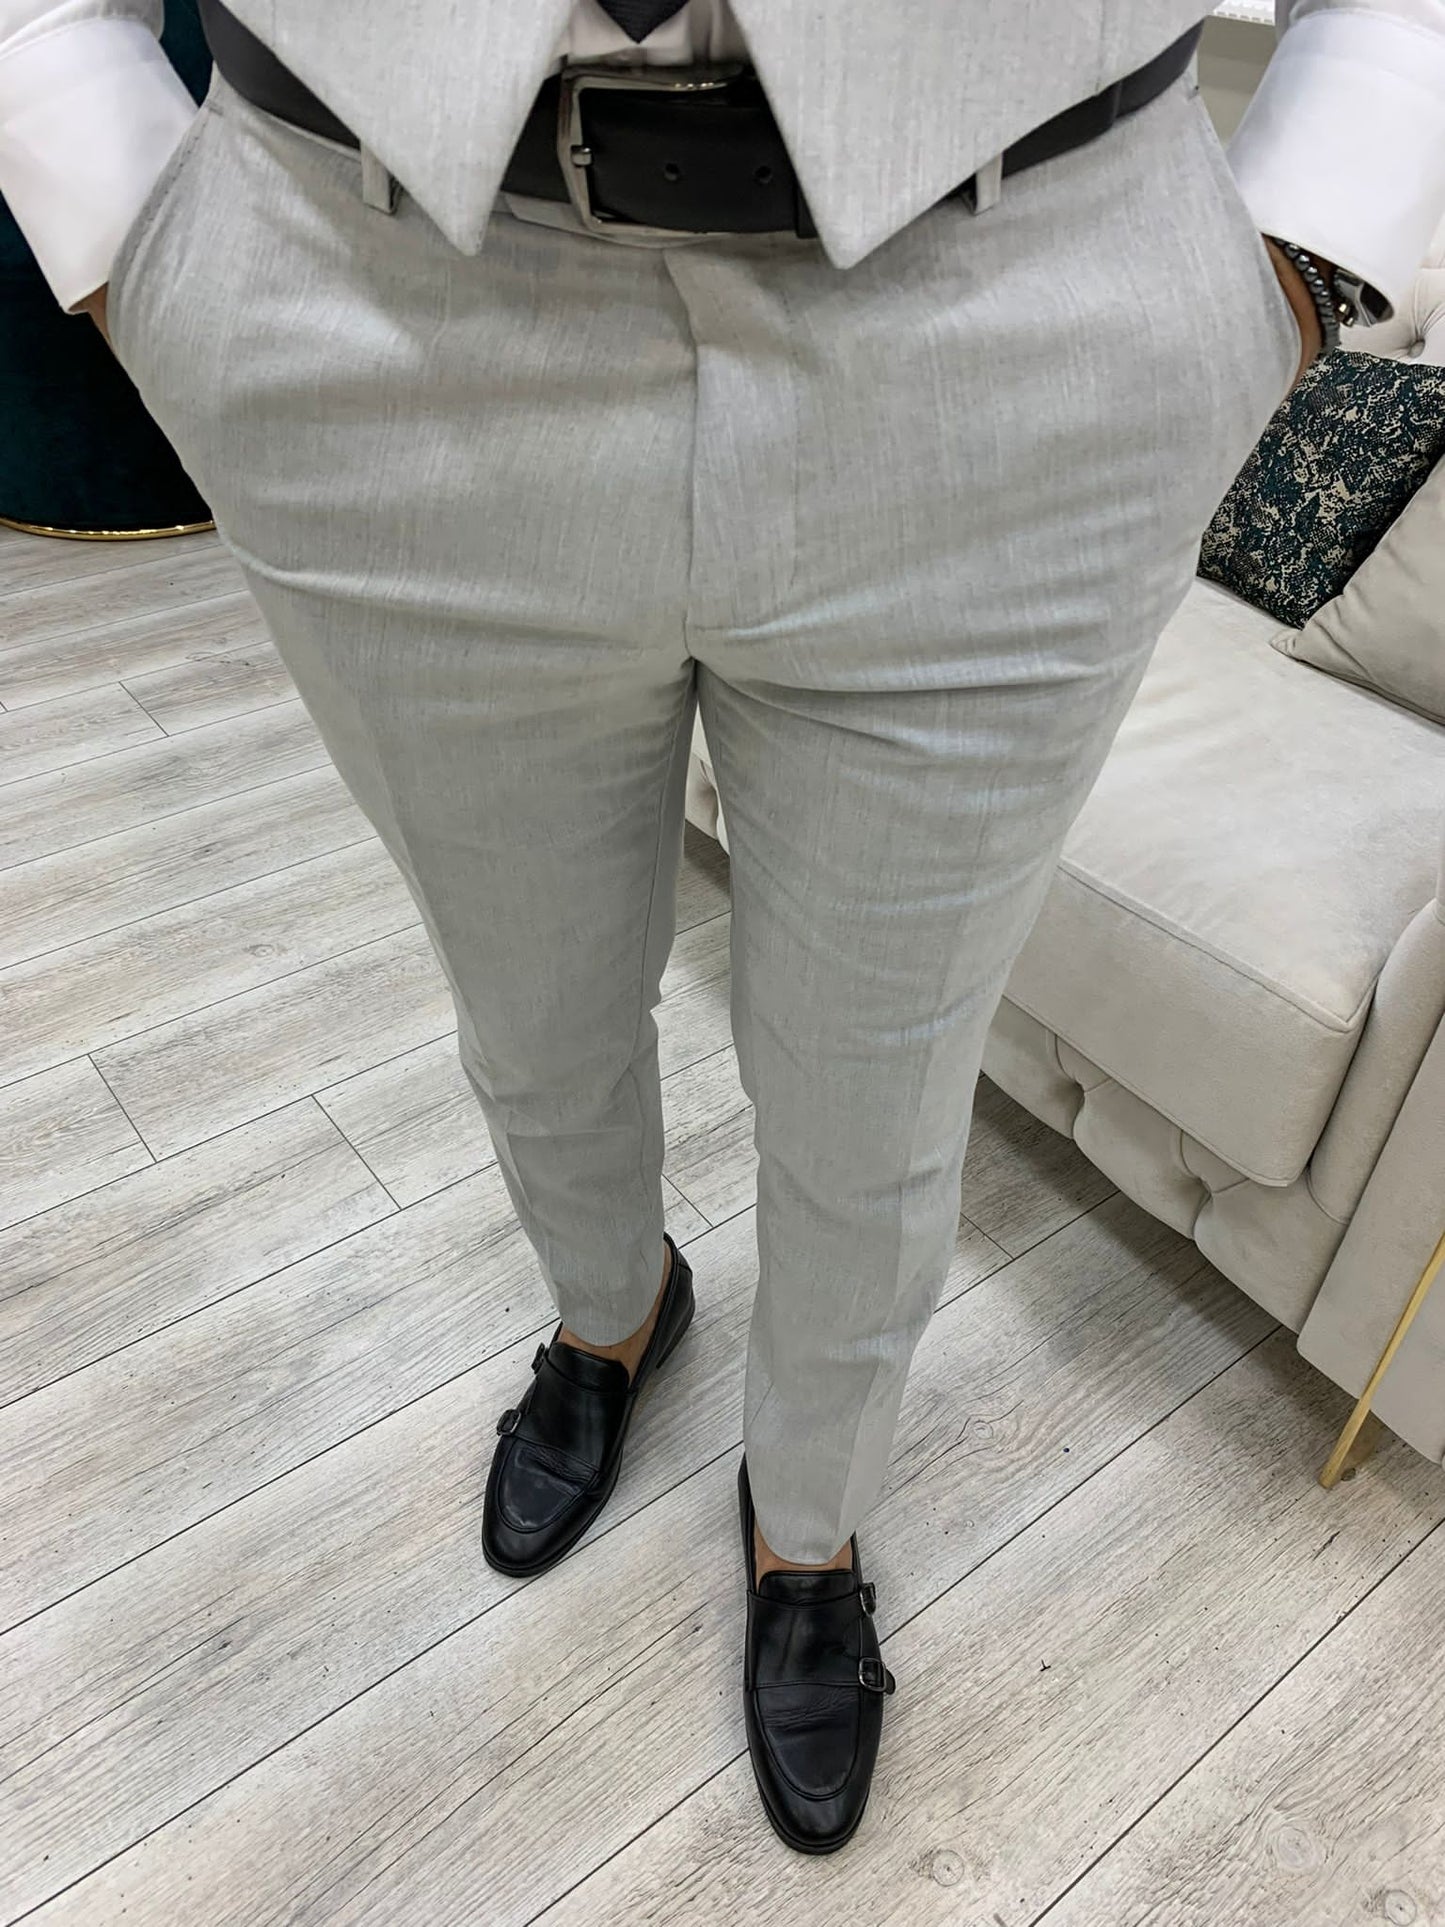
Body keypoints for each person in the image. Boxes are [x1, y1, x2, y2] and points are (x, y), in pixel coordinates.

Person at [3, 0, 1442, 1856]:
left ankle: (810, 1521)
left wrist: (1299, 250)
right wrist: (122, 215)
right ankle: (609, 1315)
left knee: (876, 1093)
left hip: (1027, 319)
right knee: (529, 1008)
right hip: (369, 304)